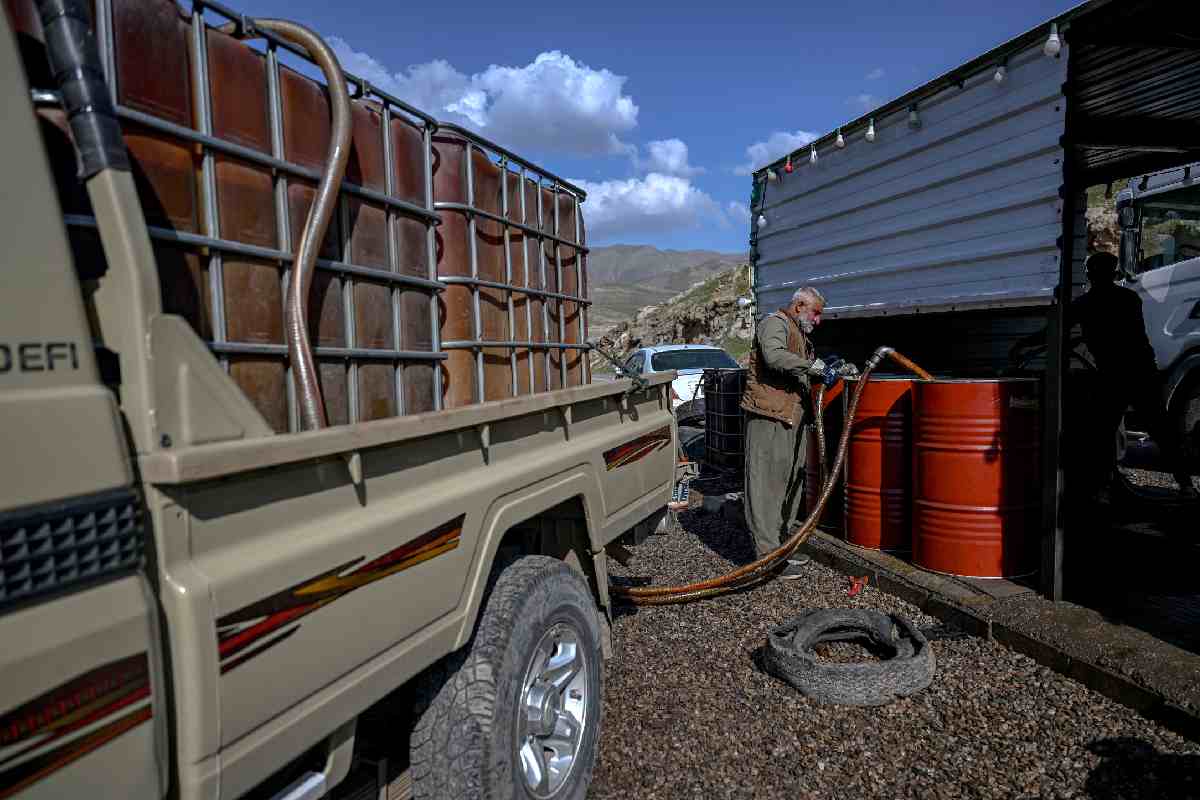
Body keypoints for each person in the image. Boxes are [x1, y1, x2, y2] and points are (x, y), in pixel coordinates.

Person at [1012, 251, 1196, 498]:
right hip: (1142, 372)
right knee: (1161, 430)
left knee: (1102, 433)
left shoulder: (1085, 305)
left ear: (1089, 274)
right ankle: (1185, 485)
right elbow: (1117, 333)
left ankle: (1104, 485)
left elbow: (1057, 332)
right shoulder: (1130, 299)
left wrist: (1023, 344)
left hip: (1114, 377)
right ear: (1114, 273)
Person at [740, 287, 857, 579]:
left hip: (790, 418)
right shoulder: (774, 323)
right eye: (815, 313)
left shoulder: (798, 333)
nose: (818, 320)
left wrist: (823, 365)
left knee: (789, 485)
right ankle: (766, 559)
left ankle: (782, 548)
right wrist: (814, 367)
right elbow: (774, 356)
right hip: (769, 418)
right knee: (766, 488)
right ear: (799, 305)